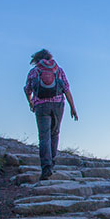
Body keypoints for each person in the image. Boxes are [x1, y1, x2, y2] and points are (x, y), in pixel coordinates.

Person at [23, 49, 78, 180]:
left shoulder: (34, 71)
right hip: (58, 105)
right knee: (55, 134)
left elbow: (27, 89)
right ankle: (52, 163)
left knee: (44, 137)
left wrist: (31, 102)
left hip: (41, 106)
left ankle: (46, 167)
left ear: (36, 59)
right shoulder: (58, 70)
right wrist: (73, 107)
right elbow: (66, 89)